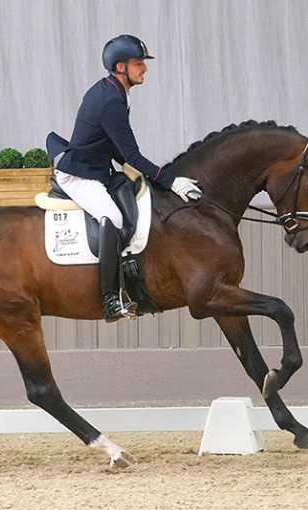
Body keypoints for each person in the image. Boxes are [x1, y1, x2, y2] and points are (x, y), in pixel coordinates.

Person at [51, 34, 202, 322]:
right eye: (139, 63)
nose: (145, 68)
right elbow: (131, 155)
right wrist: (171, 181)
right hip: (79, 175)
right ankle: (110, 299)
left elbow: (118, 150)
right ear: (120, 66)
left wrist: (146, 174)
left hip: (99, 170)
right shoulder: (110, 100)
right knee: (114, 217)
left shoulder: (117, 91)